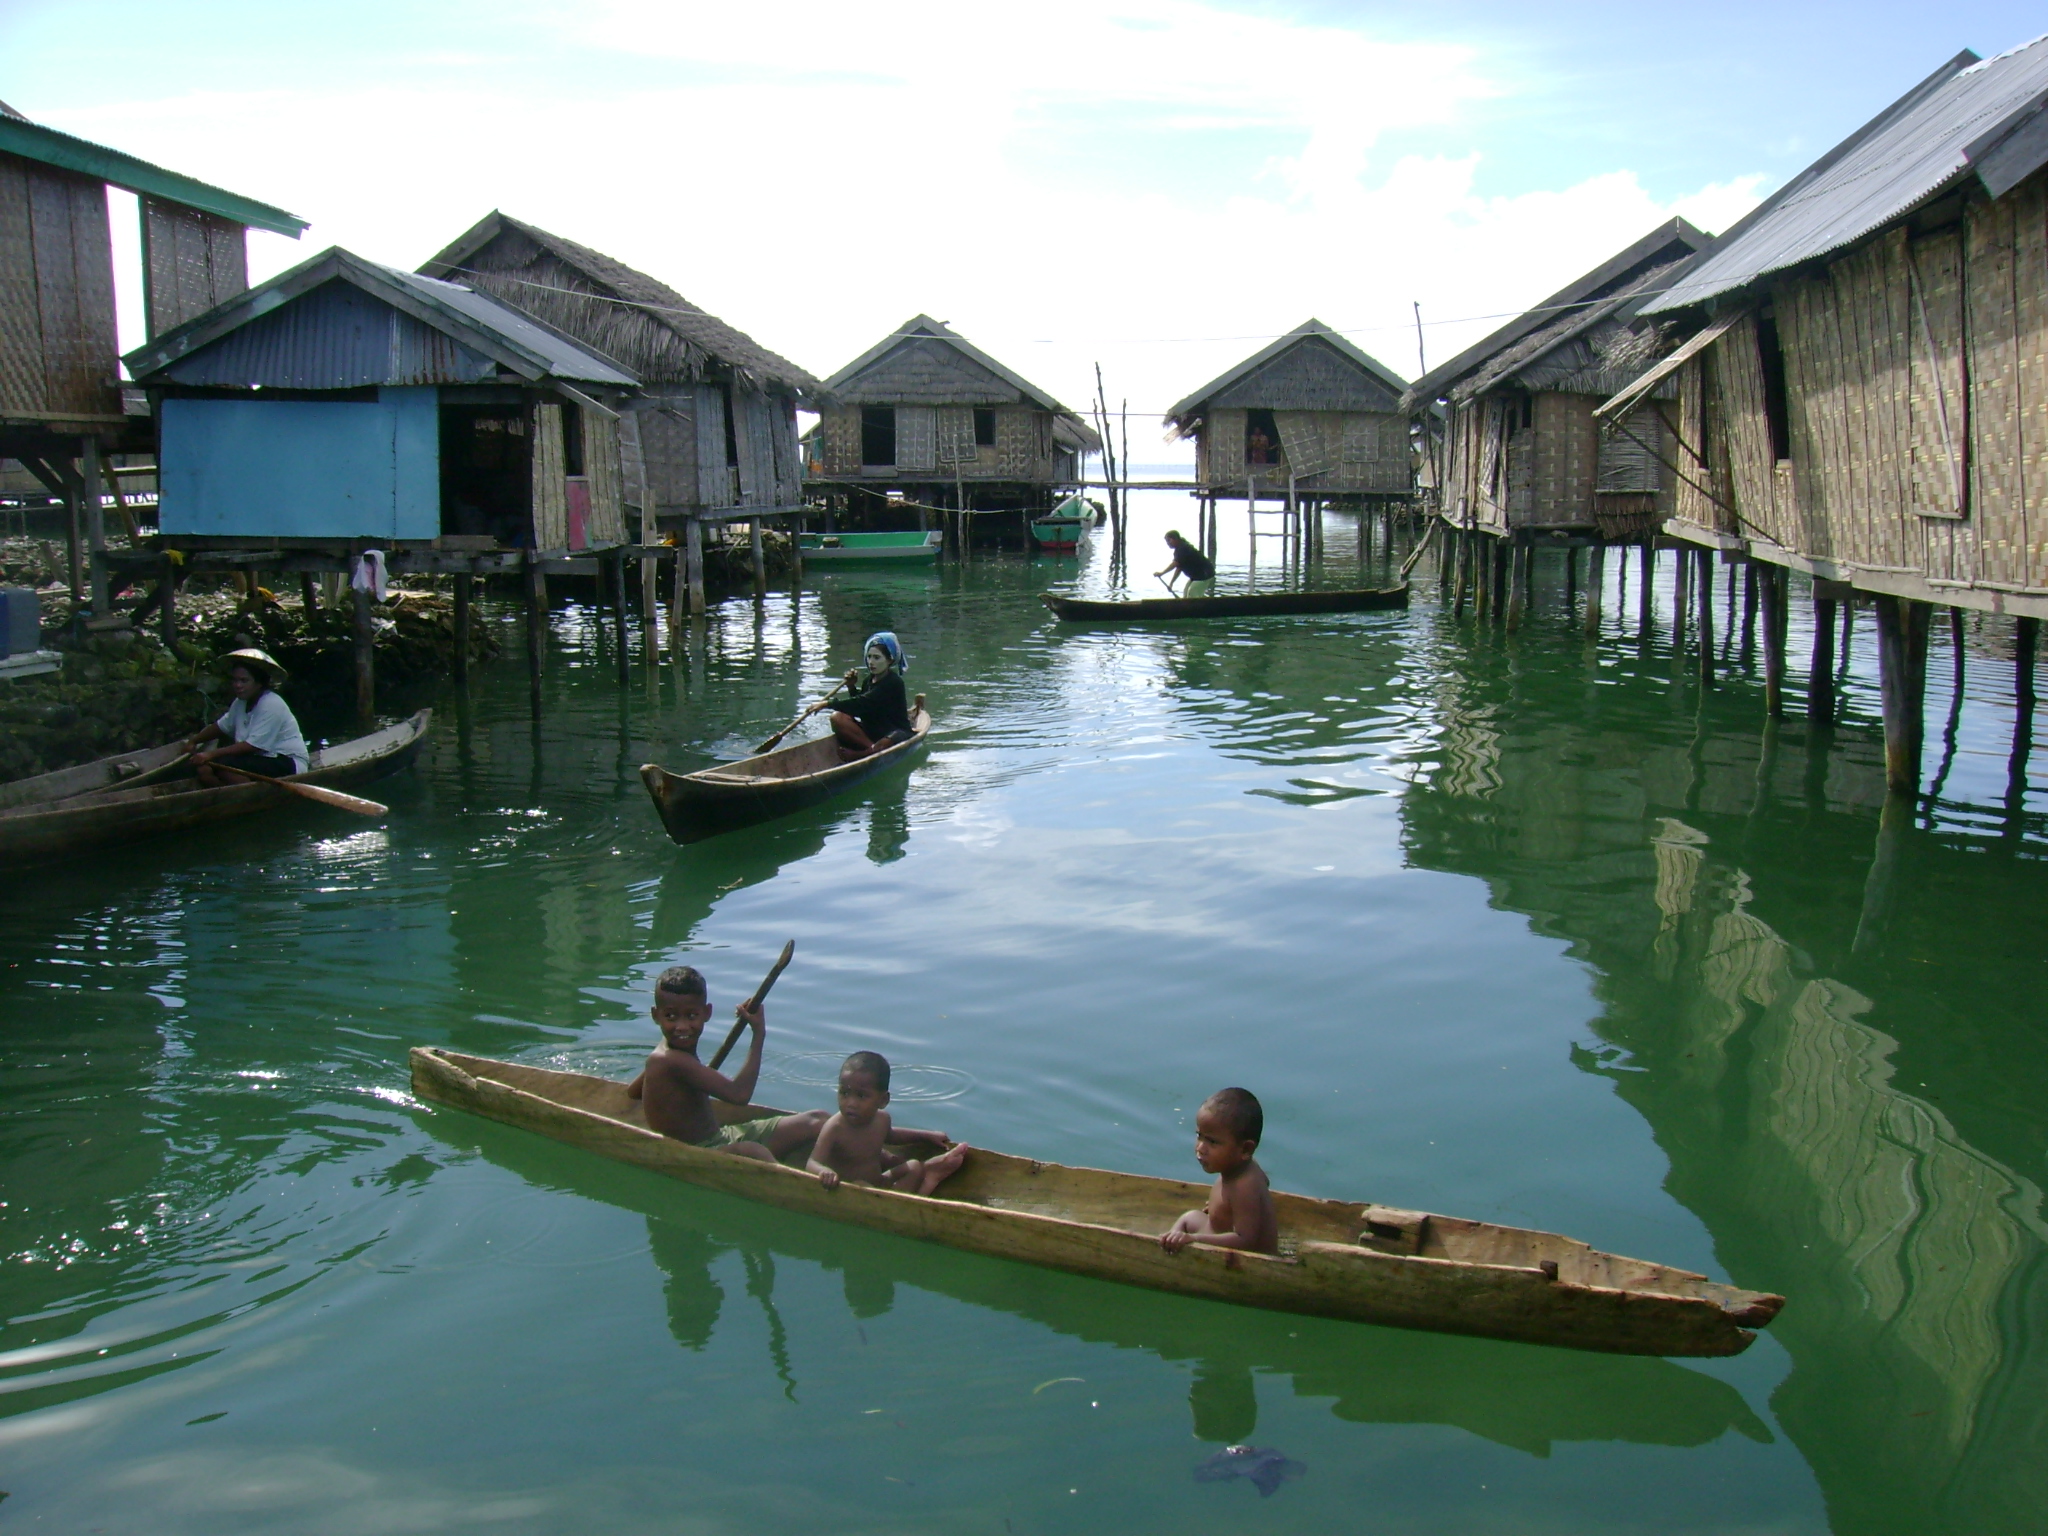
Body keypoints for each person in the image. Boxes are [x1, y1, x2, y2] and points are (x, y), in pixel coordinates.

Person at [626, 966, 828, 1161]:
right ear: (655, 1015)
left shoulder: (663, 1056)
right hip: (699, 1151)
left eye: (691, 1015)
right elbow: (740, 1095)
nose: (682, 1026)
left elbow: (633, 1093)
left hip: (722, 1136)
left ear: (707, 1013)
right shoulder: (669, 1059)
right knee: (753, 1151)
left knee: (817, 1120)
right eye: (670, 1016)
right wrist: (758, 1034)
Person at [806, 1051, 968, 1195]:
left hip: (877, 1181)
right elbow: (813, 1163)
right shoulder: (835, 1127)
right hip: (850, 1188)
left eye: (861, 1096)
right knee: (861, 1186)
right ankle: (919, 1190)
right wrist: (824, 1172)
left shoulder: (882, 1119)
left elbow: (892, 1136)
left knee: (914, 1167)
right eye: (844, 1093)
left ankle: (896, 1199)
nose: (851, 1103)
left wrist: (926, 1136)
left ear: (883, 1100)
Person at [1160, 1087, 1278, 1255]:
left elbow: (1245, 1240)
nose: (1200, 1148)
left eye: (1212, 1142)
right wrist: (1224, 1209)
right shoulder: (1247, 1168)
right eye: (1199, 1136)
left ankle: (1167, 1253)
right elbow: (1265, 1182)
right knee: (1189, 1217)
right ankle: (1170, 1243)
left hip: (1246, 1259)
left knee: (1187, 1223)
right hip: (1218, 1229)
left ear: (1245, 1149)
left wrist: (1193, 1239)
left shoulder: (1245, 1185)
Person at [184, 649, 309, 786]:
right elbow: (221, 727)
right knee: (204, 769)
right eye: (235, 680)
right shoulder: (240, 703)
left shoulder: (271, 703)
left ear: (258, 683)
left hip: (287, 761)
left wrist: (211, 754)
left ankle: (251, 797)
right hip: (259, 759)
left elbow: (252, 745)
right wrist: (194, 740)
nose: (238, 685)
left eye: (244, 681)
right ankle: (224, 797)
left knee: (225, 764)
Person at [824, 631, 913, 760]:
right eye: (869, 657)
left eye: (877, 658)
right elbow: (863, 708)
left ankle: (863, 754)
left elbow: (865, 702)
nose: (871, 662)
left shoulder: (893, 682)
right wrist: (851, 686)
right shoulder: (869, 680)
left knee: (890, 739)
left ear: (890, 660)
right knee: (837, 717)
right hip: (873, 732)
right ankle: (872, 749)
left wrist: (827, 704)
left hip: (894, 732)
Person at [1155, 530, 1215, 595]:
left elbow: (1174, 564)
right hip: (1196, 576)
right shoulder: (1178, 550)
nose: (1168, 543)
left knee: (1192, 593)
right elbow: (1179, 568)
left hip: (1205, 574)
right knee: (1186, 593)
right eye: (1166, 541)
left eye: (1169, 540)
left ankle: (1198, 604)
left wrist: (1161, 573)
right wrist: (1171, 583)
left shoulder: (1183, 548)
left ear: (1176, 539)